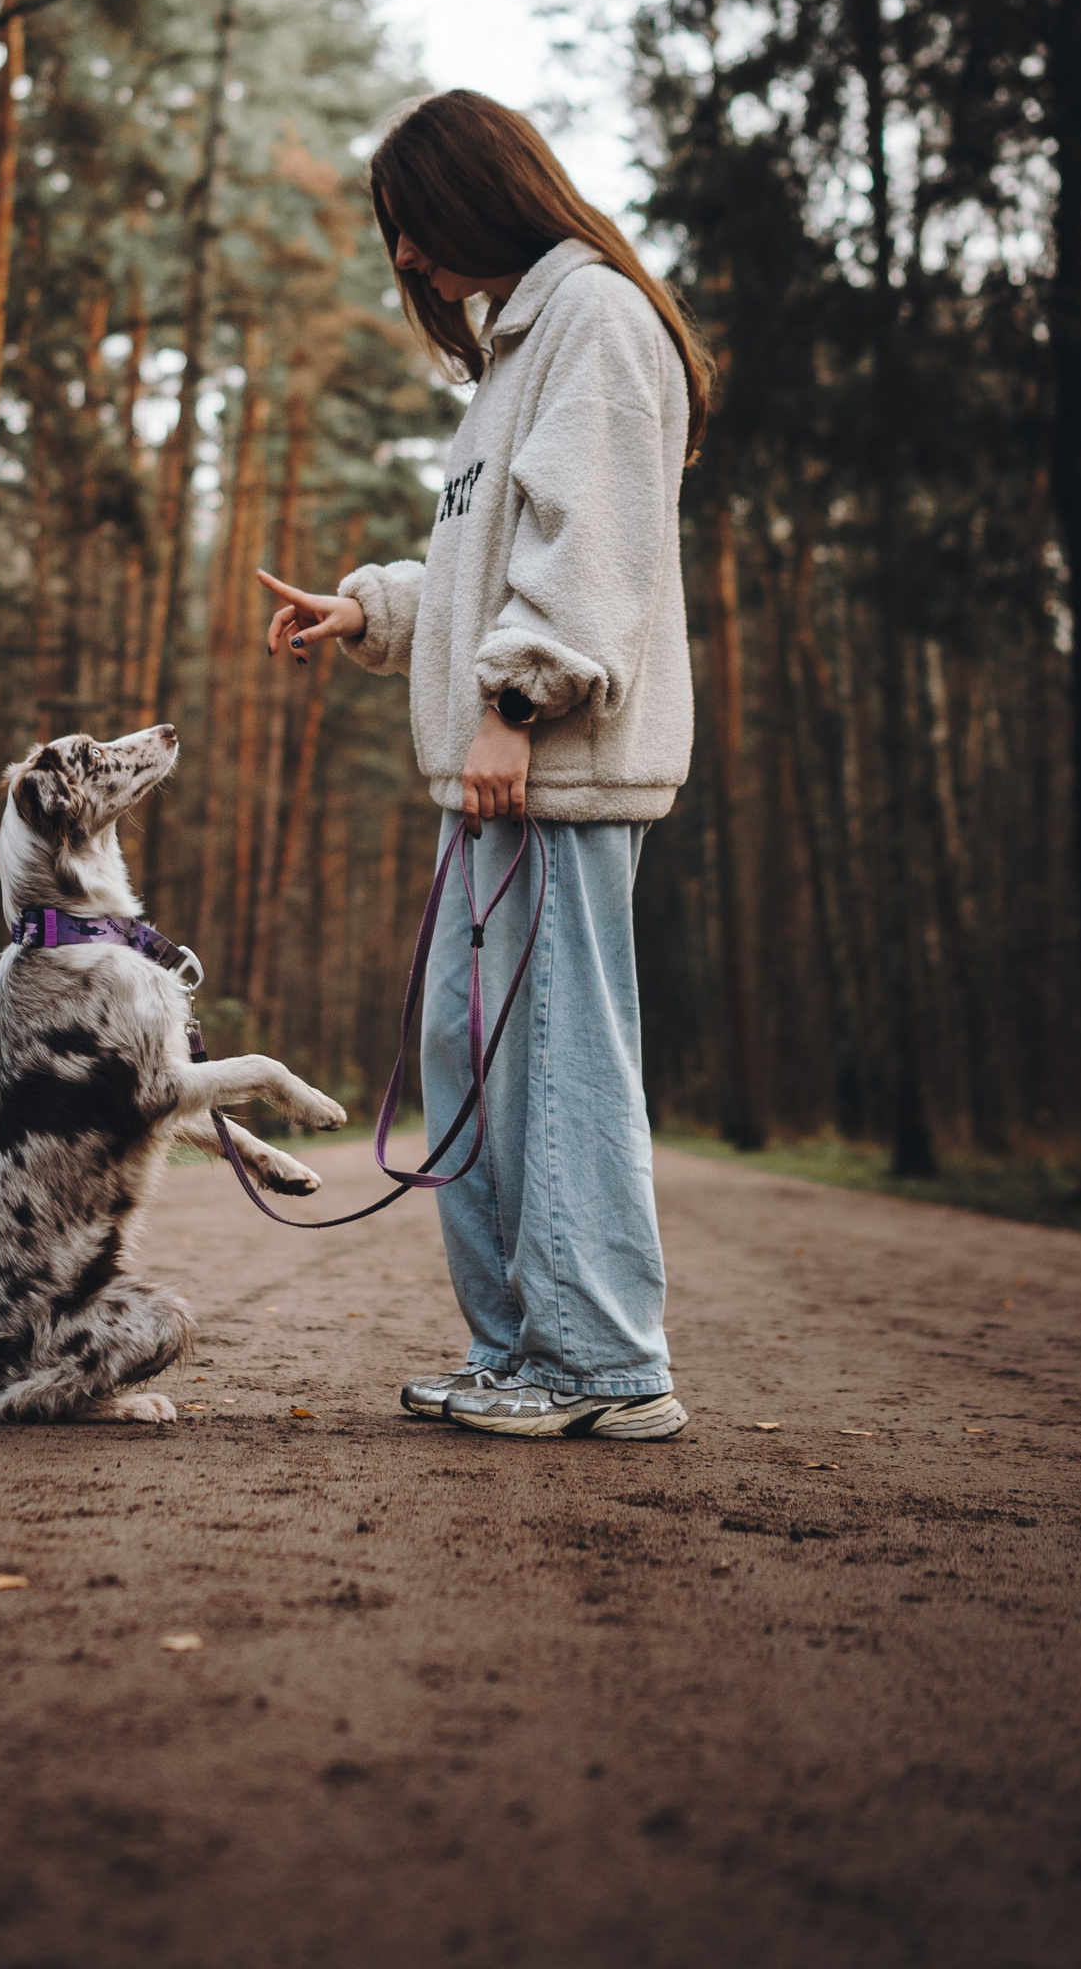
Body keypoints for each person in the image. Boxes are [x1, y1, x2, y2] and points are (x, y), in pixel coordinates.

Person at [258, 89, 709, 1440]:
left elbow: (591, 550)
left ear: (484, 195)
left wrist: (516, 701)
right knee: (474, 1060)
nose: (404, 255)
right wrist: (371, 611)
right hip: (498, 779)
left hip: (550, 771)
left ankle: (606, 1366)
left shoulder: (596, 320)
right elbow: (486, 565)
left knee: (556, 1061)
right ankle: (519, 1351)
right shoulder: (517, 352)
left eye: (416, 223)